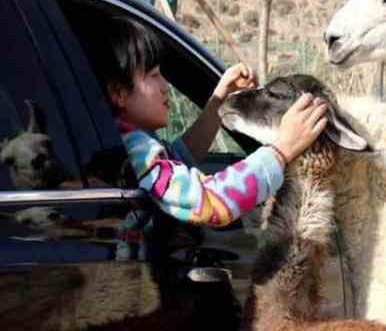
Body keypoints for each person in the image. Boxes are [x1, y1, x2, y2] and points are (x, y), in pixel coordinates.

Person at [99, 16, 327, 227]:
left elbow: (178, 159)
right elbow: (209, 202)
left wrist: (218, 100)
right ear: (118, 92)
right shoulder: (135, 153)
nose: (165, 86)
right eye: (153, 75)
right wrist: (281, 152)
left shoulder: (132, 146)